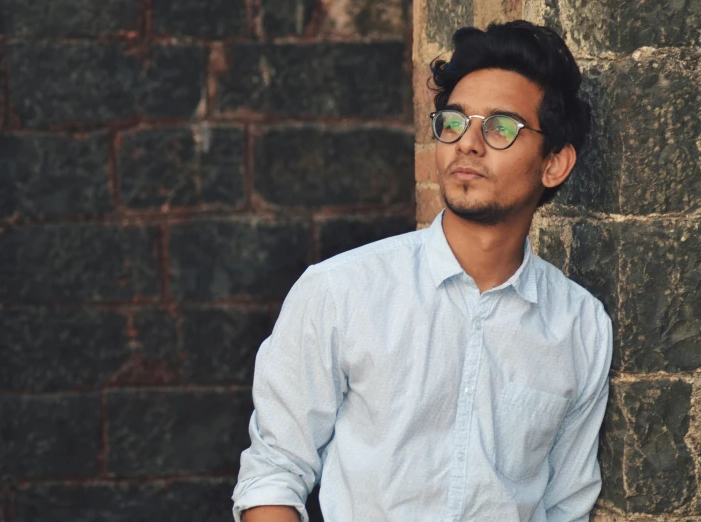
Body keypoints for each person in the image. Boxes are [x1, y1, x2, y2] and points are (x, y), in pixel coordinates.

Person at [232, 20, 612, 522]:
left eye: (501, 128)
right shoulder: (341, 291)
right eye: (454, 122)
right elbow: (273, 471)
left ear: (555, 164)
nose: (468, 144)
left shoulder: (580, 327)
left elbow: (566, 506)